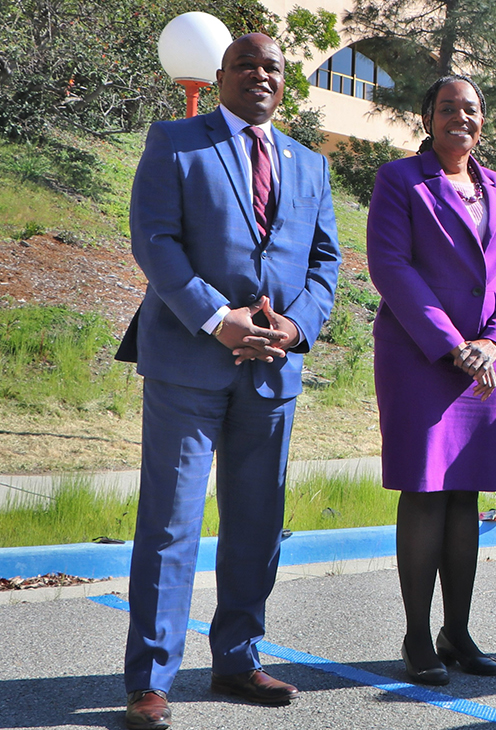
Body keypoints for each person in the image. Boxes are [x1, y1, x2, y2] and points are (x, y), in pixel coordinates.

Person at [118, 33, 340, 729]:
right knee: (171, 524)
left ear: (284, 82)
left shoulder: (309, 164)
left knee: (257, 523)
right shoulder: (176, 142)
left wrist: (296, 328)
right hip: (189, 362)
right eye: (245, 64)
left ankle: (238, 658)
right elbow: (154, 240)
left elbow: (327, 263)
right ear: (221, 76)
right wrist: (217, 319)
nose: (259, 75)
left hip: (274, 370)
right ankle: (152, 680)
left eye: (272, 66)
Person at [366, 75, 496, 684]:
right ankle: (417, 638)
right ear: (427, 117)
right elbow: (391, 266)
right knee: (426, 491)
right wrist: (452, 344)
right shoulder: (399, 181)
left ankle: (457, 632)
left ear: (483, 120)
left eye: (470, 108)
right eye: (446, 108)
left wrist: (494, 343)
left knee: (466, 496)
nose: (459, 118)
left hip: (486, 366)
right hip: (421, 358)